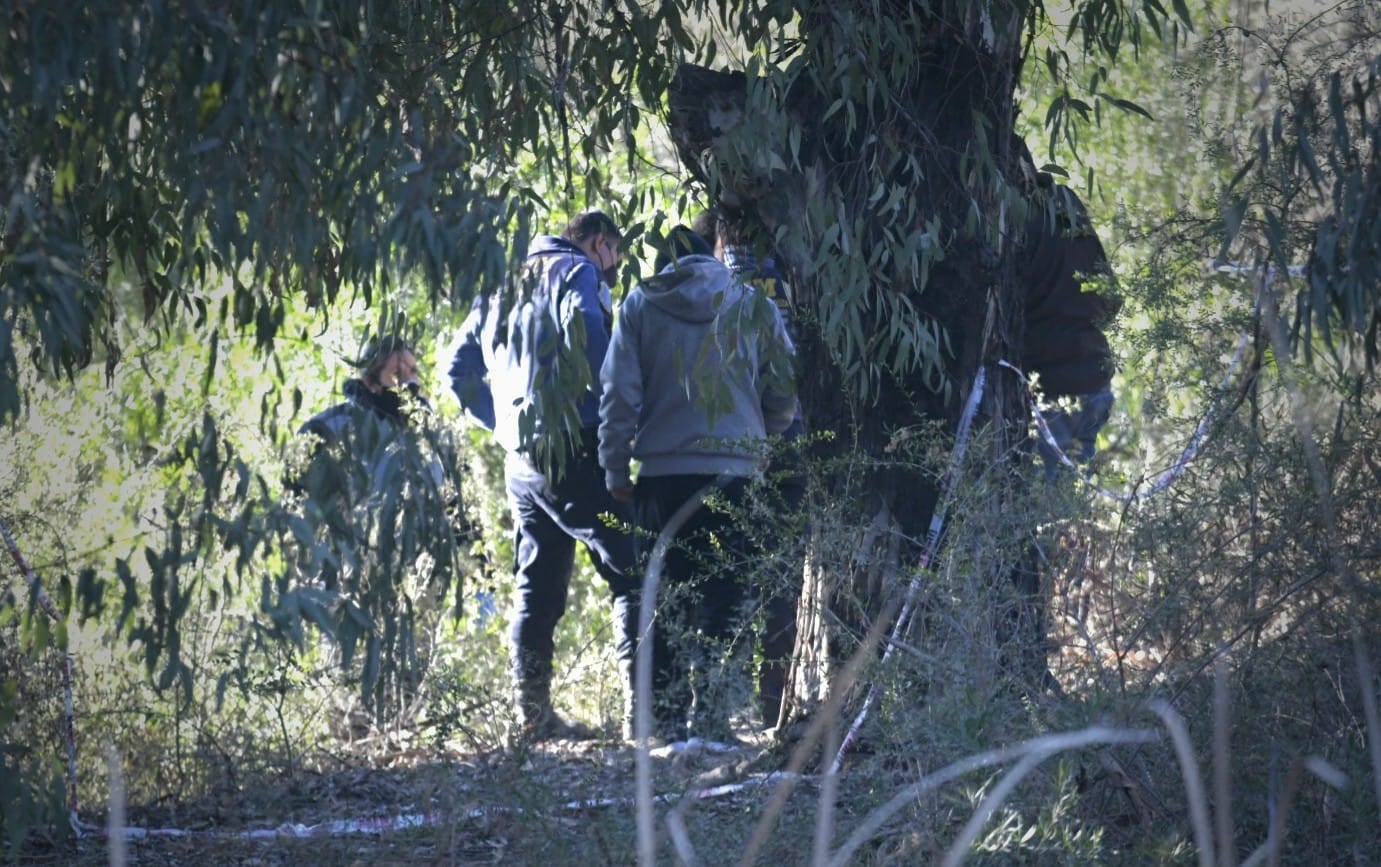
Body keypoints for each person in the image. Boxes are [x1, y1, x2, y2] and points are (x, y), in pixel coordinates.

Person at [599, 225, 797, 743]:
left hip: (663, 478)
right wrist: (760, 435)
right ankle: (713, 722)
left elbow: (618, 395)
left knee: (663, 599)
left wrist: (615, 470)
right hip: (735, 472)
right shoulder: (753, 304)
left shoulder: (640, 303)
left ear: (664, 262)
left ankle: (662, 724)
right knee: (727, 596)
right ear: (712, 258)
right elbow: (783, 389)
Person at [448, 210, 640, 743]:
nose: (610, 277)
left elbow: (456, 370)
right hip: (575, 445)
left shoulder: (502, 282)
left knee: (537, 586)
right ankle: (643, 717)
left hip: (522, 461)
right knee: (632, 571)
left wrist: (503, 424)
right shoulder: (575, 271)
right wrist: (616, 413)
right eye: (613, 266)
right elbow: (592, 337)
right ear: (600, 244)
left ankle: (532, 718)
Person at [696, 208, 809, 732]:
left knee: (725, 575)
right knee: (779, 577)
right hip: (783, 437)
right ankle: (770, 707)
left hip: (720, 444)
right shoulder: (798, 256)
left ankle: (718, 706)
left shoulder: (708, 273)